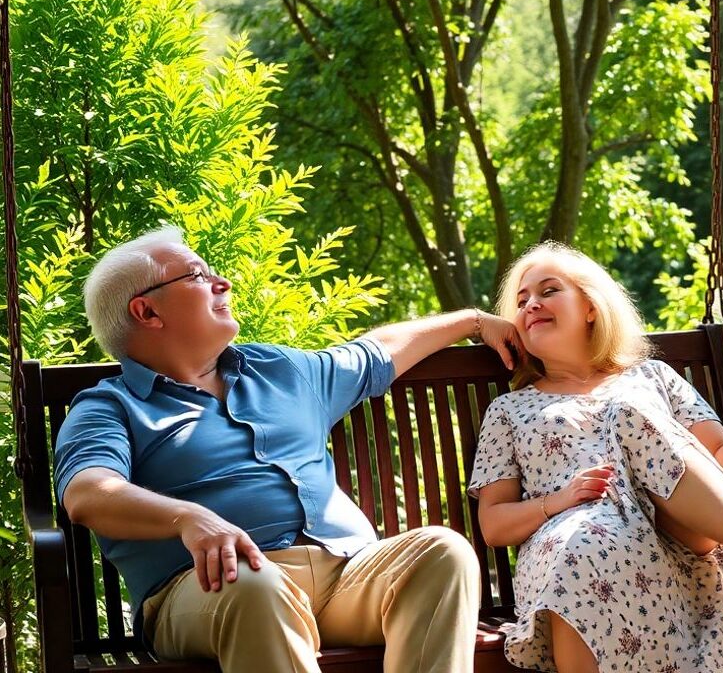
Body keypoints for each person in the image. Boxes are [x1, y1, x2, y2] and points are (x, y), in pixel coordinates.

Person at [54, 225, 525, 673]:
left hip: (345, 577)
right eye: (199, 275)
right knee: (253, 586)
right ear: (147, 313)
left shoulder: (279, 370)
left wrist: (473, 320)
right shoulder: (110, 406)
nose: (224, 282)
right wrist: (189, 518)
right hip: (212, 590)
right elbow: (89, 492)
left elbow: (375, 352)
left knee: (442, 552)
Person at [468, 241, 723, 673]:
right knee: (581, 544)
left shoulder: (652, 377)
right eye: (521, 300)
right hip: (574, 547)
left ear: (590, 306)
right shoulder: (509, 411)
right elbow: (494, 524)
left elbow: (719, 464)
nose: (531, 304)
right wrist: (558, 502)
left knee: (629, 413)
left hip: (674, 538)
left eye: (548, 291)